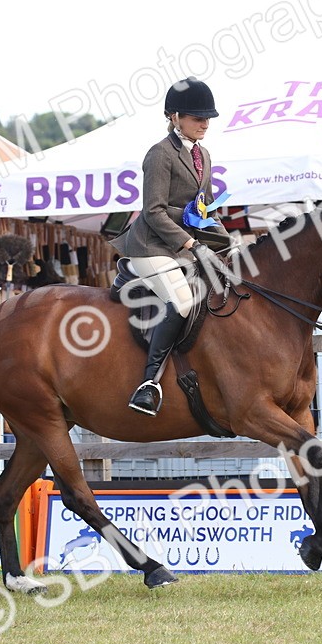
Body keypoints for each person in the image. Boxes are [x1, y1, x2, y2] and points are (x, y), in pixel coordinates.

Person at [108, 77, 233, 417]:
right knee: (184, 300)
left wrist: (226, 244)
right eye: (197, 117)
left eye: (208, 118)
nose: (205, 123)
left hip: (182, 248)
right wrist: (191, 243)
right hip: (151, 246)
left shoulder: (202, 154)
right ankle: (149, 384)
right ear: (175, 117)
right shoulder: (160, 154)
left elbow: (204, 209)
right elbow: (153, 211)